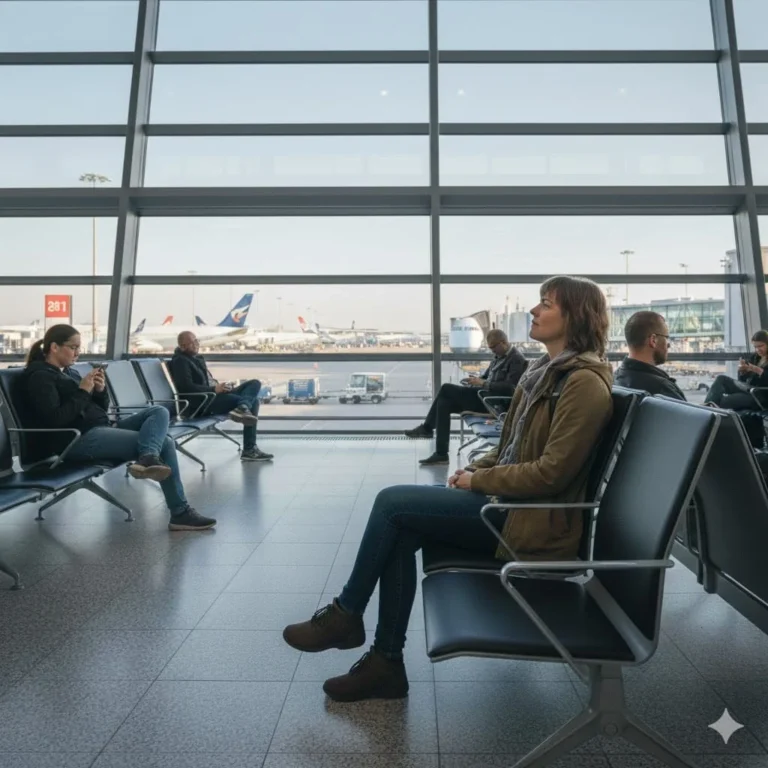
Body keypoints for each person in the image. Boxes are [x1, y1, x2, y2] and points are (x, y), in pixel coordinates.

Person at [283, 276, 613, 703]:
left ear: (575, 316)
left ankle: (347, 616)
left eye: (545, 304)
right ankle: (385, 664)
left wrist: (480, 481)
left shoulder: (582, 383)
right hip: (509, 506)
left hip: (528, 523)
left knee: (392, 503)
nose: (534, 311)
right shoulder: (544, 373)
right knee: (401, 531)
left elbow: (552, 473)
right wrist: (476, 468)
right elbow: (513, 448)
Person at [21, 324, 215, 531]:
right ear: (54, 347)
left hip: (101, 428)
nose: (78, 352)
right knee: (166, 443)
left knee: (159, 411)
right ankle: (179, 511)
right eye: (73, 347)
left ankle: (148, 456)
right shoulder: (40, 377)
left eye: (79, 347)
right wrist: (83, 392)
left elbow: (99, 409)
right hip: (77, 440)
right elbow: (55, 419)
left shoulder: (69, 372)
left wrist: (99, 391)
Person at [405, 329, 528, 465]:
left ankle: (427, 428)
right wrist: (476, 381)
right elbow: (486, 377)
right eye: (490, 348)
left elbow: (511, 388)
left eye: (493, 347)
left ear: (504, 343)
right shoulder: (499, 356)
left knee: (446, 388)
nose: (492, 351)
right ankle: (441, 454)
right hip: (483, 396)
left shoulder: (517, 359)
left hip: (493, 403)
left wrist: (484, 383)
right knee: (444, 404)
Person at [168, 332, 274, 462]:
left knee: (254, 383)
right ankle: (249, 448)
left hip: (213, 396)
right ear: (183, 346)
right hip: (203, 403)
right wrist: (214, 389)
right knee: (255, 402)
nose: (197, 344)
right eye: (193, 342)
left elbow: (206, 381)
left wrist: (221, 387)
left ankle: (243, 407)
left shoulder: (196, 358)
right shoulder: (180, 361)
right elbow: (186, 387)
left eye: (197, 340)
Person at [614, 311, 685, 400]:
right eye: (666, 338)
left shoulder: (613, 380)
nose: (668, 345)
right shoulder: (664, 390)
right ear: (653, 340)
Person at [704, 330, 768, 410]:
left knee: (723, 401)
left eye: (760, 346)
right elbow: (742, 380)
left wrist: (757, 369)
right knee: (721, 379)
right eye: (755, 347)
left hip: (761, 395)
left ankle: (706, 410)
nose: (758, 350)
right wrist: (742, 371)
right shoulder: (755, 357)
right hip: (749, 389)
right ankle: (706, 408)